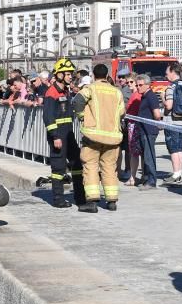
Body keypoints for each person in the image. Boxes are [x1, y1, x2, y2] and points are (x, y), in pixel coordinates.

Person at [72, 63, 125, 212]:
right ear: (107, 76)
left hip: (93, 136)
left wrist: (83, 117)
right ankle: (112, 201)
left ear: (94, 76)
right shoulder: (117, 92)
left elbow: (77, 101)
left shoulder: (90, 89)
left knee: (91, 166)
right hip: (113, 137)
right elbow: (122, 112)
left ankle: (92, 202)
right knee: (109, 168)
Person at [43, 58, 84, 208]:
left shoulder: (66, 91)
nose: (70, 77)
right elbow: (48, 117)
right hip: (58, 135)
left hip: (68, 133)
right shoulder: (51, 92)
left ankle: (80, 196)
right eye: (67, 74)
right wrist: (55, 136)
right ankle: (58, 199)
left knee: (77, 162)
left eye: (70, 74)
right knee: (58, 167)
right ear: (59, 75)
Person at [163, 62, 182, 184]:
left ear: (172, 72)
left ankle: (175, 175)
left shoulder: (171, 88)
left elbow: (169, 105)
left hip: (172, 122)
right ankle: (178, 173)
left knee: (173, 149)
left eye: (167, 73)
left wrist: (163, 98)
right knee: (180, 148)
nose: (166, 75)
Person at [134, 74, 163, 189]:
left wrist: (154, 123)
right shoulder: (144, 96)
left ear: (147, 85)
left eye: (140, 85)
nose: (138, 87)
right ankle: (146, 179)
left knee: (149, 156)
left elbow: (157, 114)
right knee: (145, 156)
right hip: (143, 130)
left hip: (149, 131)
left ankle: (151, 181)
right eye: (137, 85)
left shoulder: (151, 96)